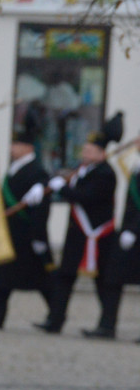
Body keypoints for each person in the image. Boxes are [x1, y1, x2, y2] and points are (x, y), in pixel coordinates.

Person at [35, 113, 122, 336]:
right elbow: (61, 179)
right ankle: (55, 320)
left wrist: (61, 188)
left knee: (104, 282)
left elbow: (85, 196)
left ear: (102, 154)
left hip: (98, 236)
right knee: (65, 277)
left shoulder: (106, 174)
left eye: (90, 151)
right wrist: (47, 184)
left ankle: (107, 325)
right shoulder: (81, 170)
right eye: (84, 150)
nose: (84, 154)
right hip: (77, 235)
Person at [0, 105, 54, 329]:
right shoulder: (14, 168)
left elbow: (41, 207)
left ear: (27, 147)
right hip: (8, 231)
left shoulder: (37, 171)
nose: (12, 148)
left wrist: (38, 236)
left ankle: (56, 315)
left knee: (41, 280)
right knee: (2, 279)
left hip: (25, 233)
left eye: (16, 144)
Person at [100, 148, 140, 342]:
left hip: (134, 231)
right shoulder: (136, 165)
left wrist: (134, 228)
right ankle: (107, 325)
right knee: (113, 280)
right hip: (128, 233)